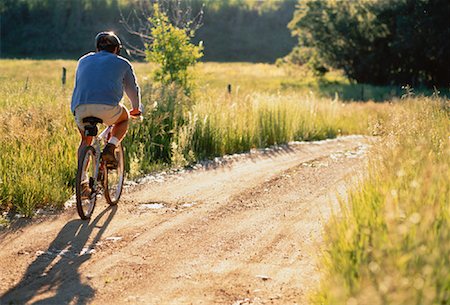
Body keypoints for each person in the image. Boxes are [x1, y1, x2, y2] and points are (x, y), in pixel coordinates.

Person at [71, 31, 142, 169]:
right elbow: (132, 89)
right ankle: (111, 146)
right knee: (124, 118)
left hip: (80, 109)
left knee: (85, 141)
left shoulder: (83, 60)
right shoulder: (123, 63)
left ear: (97, 48)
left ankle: (82, 180)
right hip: (107, 109)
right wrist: (136, 108)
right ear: (117, 49)